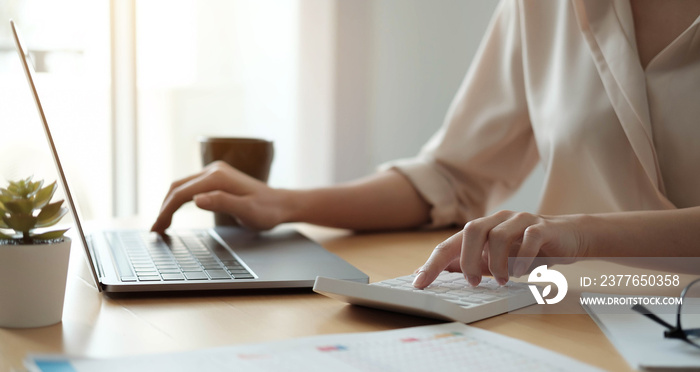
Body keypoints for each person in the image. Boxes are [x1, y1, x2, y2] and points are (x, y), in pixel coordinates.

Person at [151, 0, 700, 289]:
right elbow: (453, 177)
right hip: (577, 317)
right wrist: (289, 203)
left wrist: (578, 235)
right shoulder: (543, 6)